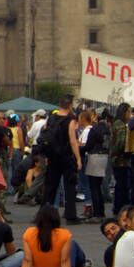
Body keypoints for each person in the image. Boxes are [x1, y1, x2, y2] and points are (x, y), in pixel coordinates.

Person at [11, 203, 90, 267]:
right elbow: (64, 261)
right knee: (73, 244)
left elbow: (27, 260)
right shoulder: (65, 234)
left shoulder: (29, 233)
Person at [40, 96, 81, 224]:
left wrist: (46, 155)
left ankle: (45, 213)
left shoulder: (51, 118)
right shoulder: (70, 120)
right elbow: (72, 140)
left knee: (50, 186)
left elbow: (46, 137)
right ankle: (70, 215)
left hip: (52, 156)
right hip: (66, 156)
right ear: (70, 106)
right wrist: (78, 158)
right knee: (69, 185)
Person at [84, 108, 110, 220]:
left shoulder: (94, 129)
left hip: (94, 156)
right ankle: (101, 211)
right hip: (104, 156)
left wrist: (80, 148)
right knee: (98, 186)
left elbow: (88, 146)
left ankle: (97, 213)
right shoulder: (107, 129)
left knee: (94, 186)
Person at [110, 102, 132, 213]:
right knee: (122, 187)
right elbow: (121, 143)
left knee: (120, 186)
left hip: (117, 160)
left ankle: (118, 208)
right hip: (121, 161)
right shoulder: (121, 125)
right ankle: (120, 209)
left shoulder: (116, 123)